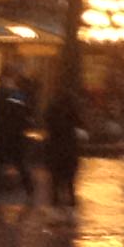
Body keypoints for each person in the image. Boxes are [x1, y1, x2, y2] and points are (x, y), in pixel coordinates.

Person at [0, 73, 35, 200]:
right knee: (19, 162)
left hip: (2, 132)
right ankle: (29, 189)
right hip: (15, 134)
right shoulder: (16, 94)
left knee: (0, 162)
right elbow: (24, 111)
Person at [38, 80, 83, 210]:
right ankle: (71, 198)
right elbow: (79, 122)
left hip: (56, 144)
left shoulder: (52, 106)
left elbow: (46, 120)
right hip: (69, 144)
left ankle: (56, 198)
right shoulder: (72, 107)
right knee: (69, 176)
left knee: (56, 175)